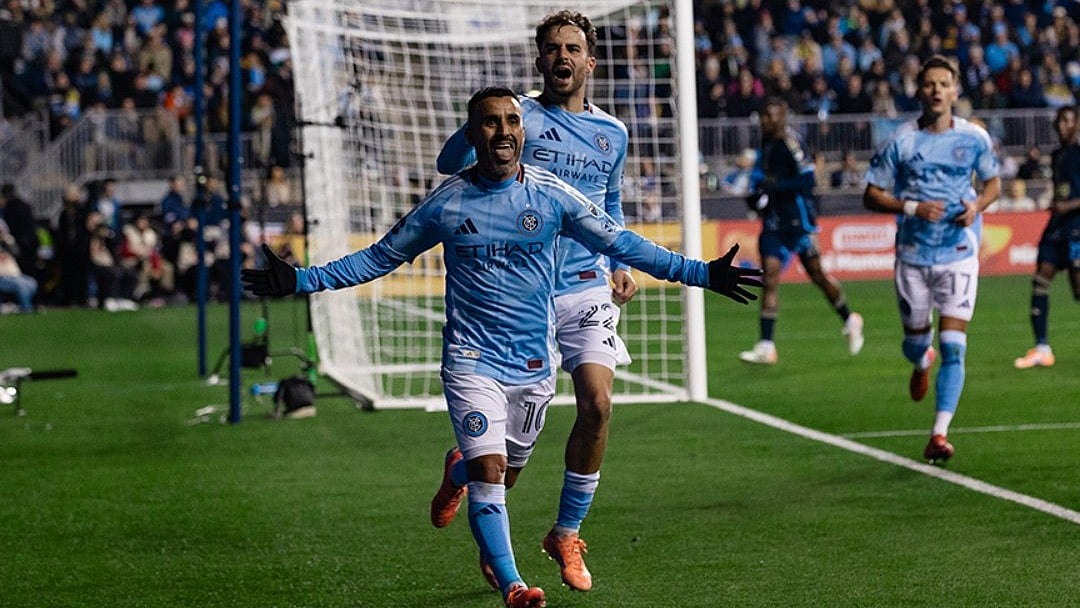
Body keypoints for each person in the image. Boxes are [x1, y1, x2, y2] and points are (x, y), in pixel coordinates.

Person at [242, 87, 762, 608]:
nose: (504, 131)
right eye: (490, 123)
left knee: (506, 471)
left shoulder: (553, 196)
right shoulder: (446, 204)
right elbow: (379, 257)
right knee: (491, 473)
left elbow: (623, 243)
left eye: (512, 121)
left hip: (534, 366)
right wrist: (301, 280)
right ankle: (515, 585)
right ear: (472, 136)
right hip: (470, 362)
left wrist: (701, 273)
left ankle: (456, 473)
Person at [434, 11, 637, 592]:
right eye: (551, 49)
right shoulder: (518, 117)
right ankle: (467, 478)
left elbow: (610, 202)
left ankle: (565, 532)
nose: (562, 57)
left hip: (586, 286)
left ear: (590, 61)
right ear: (540, 59)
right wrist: (483, 124)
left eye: (573, 48)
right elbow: (451, 165)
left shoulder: (613, 134)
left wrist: (620, 263)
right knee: (509, 460)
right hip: (522, 296)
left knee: (597, 403)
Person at [863, 55, 1001, 463]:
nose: (937, 90)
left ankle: (939, 434)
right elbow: (871, 194)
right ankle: (921, 362)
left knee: (954, 345)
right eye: (930, 84)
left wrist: (977, 206)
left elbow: (993, 183)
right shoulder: (901, 141)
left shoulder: (975, 138)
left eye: (945, 83)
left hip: (958, 252)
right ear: (919, 91)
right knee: (916, 344)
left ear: (956, 90)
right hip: (912, 256)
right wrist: (910, 208)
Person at [739, 97, 864, 365]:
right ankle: (766, 346)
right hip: (774, 222)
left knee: (818, 276)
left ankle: (849, 319)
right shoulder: (767, 143)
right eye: (763, 116)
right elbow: (765, 181)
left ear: (783, 117)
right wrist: (758, 195)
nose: (766, 121)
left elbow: (807, 179)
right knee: (769, 278)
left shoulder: (790, 142)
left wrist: (775, 187)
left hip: (799, 222)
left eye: (772, 116)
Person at [1013, 105, 1080, 369]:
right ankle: (1042, 348)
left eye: (1067, 121)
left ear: (1076, 124)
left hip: (1077, 225)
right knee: (1041, 278)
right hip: (1057, 226)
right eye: (1059, 121)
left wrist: (1069, 205)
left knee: (1078, 290)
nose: (1061, 126)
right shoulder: (1058, 155)